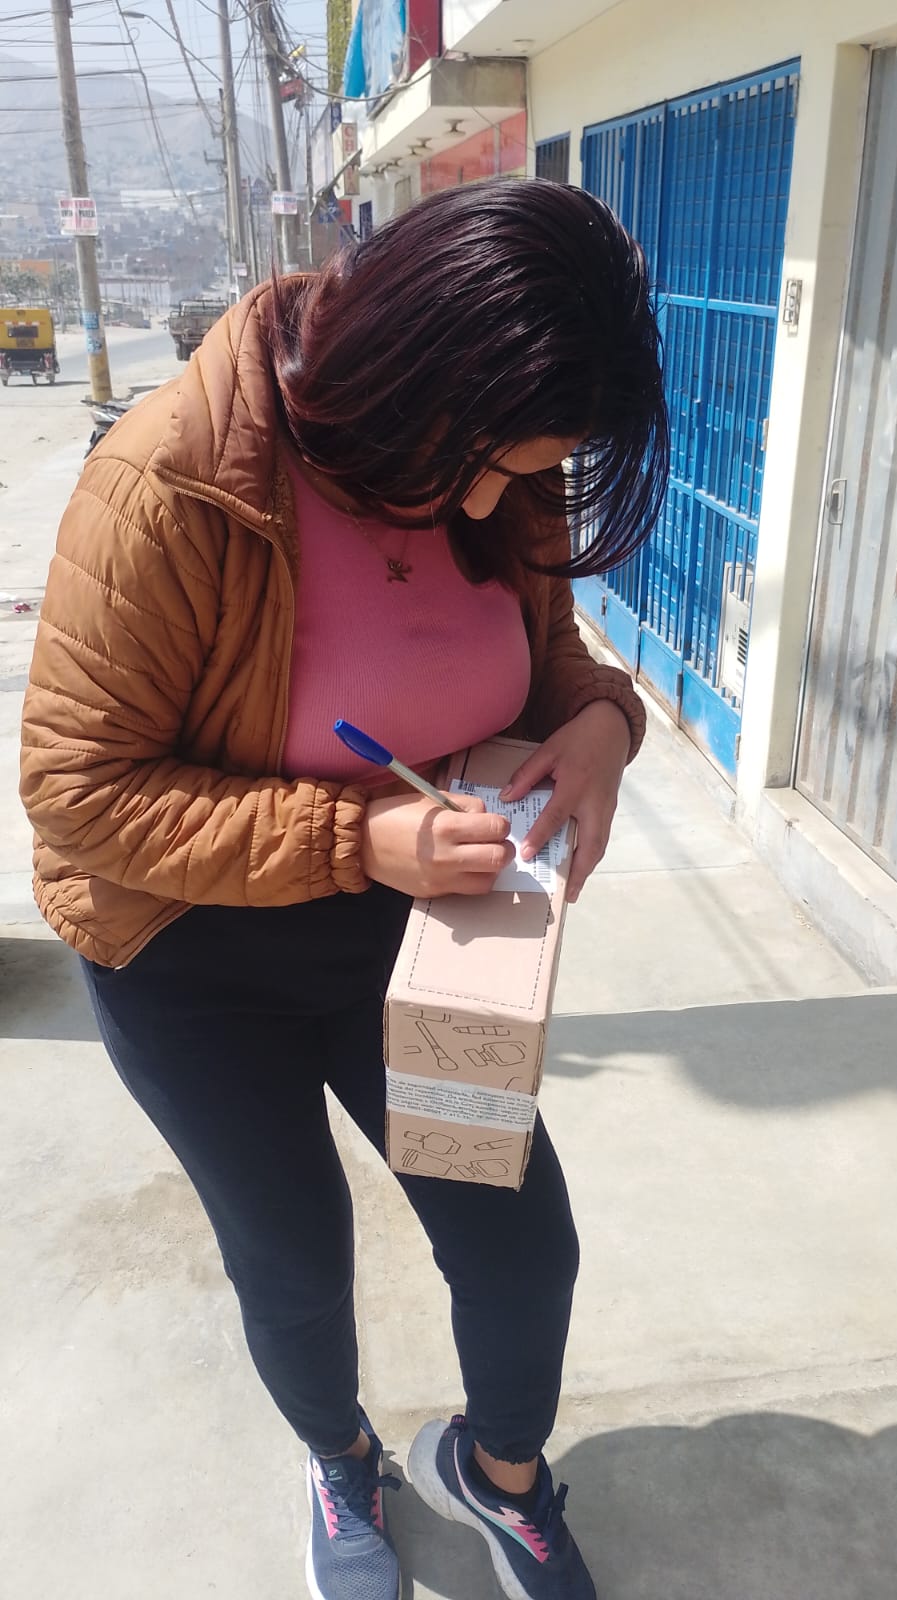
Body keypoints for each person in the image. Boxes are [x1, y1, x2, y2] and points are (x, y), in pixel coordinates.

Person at [20, 179, 667, 1600]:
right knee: (296, 1262)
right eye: (485, 467)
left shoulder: (501, 460)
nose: (495, 503)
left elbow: (549, 649)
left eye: (528, 472)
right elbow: (77, 792)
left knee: (518, 1247)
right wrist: (351, 840)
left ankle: (497, 1477)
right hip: (193, 965)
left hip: (427, 939)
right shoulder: (174, 480)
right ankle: (342, 1459)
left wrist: (601, 724)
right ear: (415, 378)